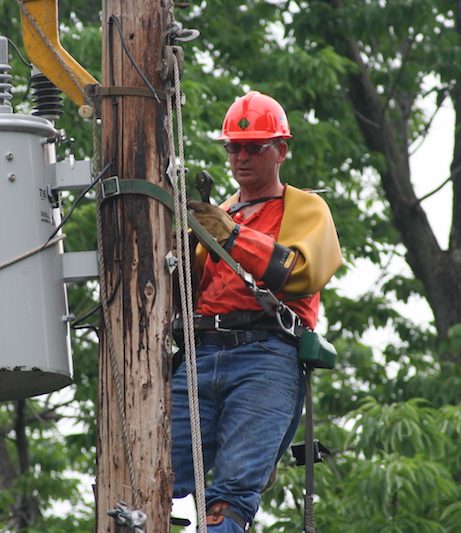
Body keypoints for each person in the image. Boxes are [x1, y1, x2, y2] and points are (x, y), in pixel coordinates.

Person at [171, 91, 344, 532]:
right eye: (234, 148)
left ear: (281, 150)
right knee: (148, 476)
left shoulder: (304, 208)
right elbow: (184, 292)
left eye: (255, 147)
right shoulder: (216, 215)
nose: (241, 157)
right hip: (201, 354)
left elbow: (301, 272)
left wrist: (232, 237)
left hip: (266, 357)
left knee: (230, 496)